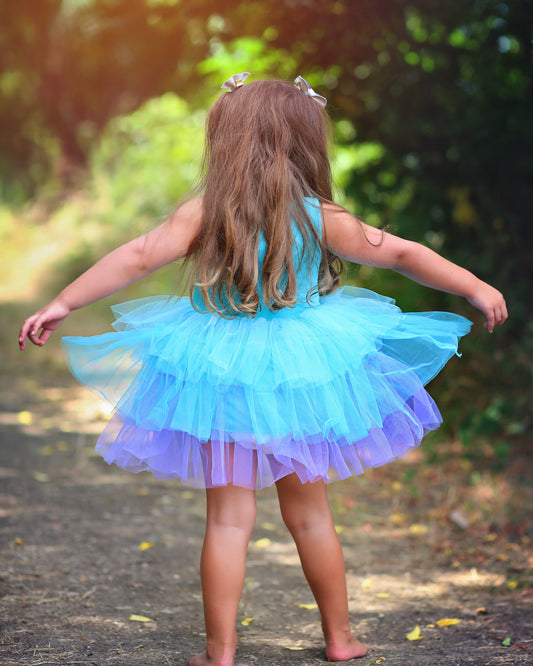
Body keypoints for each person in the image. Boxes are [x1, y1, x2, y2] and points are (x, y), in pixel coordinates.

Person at [19, 74, 507, 665]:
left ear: (225, 140)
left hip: (219, 368)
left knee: (228, 520)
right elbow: (403, 253)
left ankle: (220, 653)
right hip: (301, 370)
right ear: (305, 143)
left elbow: (137, 255)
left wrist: (63, 301)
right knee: (310, 514)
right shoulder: (320, 217)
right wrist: (475, 286)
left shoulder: (204, 212)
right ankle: (340, 639)